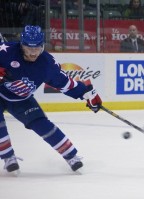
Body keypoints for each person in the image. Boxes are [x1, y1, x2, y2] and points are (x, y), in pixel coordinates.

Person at [0, 25, 102, 173]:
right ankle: (8, 157)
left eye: (37, 48)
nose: (33, 52)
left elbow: (66, 83)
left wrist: (87, 94)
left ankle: (71, 156)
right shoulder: (6, 51)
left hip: (21, 99)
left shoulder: (47, 64)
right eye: (29, 48)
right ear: (22, 45)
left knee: (42, 124)